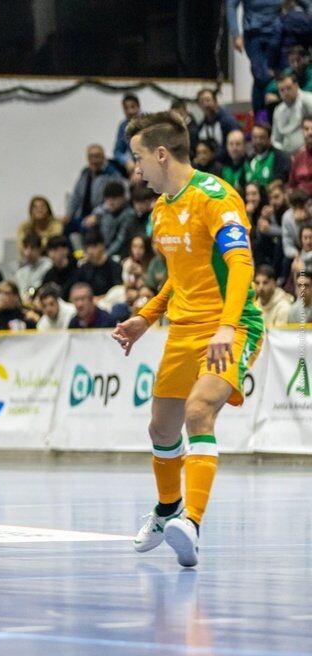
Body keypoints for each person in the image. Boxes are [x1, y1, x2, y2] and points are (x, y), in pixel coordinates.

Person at [114, 111, 264, 568]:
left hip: (232, 327)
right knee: (161, 427)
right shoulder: (160, 210)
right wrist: (146, 316)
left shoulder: (216, 197)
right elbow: (178, 279)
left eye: (140, 159)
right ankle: (167, 511)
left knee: (199, 411)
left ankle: (191, 524)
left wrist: (225, 325)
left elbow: (241, 264)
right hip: (182, 328)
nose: (136, 171)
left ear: (162, 154)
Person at [227, 0, 286, 114]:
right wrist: (235, 34)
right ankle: (262, 116)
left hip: (277, 34)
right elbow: (231, 4)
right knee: (261, 76)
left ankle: (273, 113)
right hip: (253, 35)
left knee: (279, 74)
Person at [64, 144, 125, 236]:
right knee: (65, 228)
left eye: (97, 156)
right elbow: (76, 196)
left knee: (87, 228)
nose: (94, 160)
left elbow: (116, 199)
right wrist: (68, 215)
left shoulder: (112, 174)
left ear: (103, 157)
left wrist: (97, 215)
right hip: (82, 215)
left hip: (103, 215)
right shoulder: (85, 173)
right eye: (91, 156)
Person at [90, 181, 137, 258]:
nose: (110, 203)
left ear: (122, 198)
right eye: (108, 199)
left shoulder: (129, 215)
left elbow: (120, 240)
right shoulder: (104, 214)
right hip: (104, 252)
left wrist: (105, 255)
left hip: (122, 254)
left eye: (114, 199)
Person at [73, 228, 123, 297]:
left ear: (102, 246)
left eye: (94, 246)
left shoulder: (114, 267)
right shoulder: (83, 269)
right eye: (88, 247)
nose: (90, 251)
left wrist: (98, 299)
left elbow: (118, 291)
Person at [273, 73, 312, 153]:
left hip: (307, 153)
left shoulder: (308, 101)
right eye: (282, 90)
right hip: (285, 155)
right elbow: (275, 139)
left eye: (288, 88)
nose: (286, 93)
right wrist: (282, 154)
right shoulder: (278, 110)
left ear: (296, 86)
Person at [195, 89, 241, 156]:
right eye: (202, 101)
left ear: (215, 101)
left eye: (208, 100)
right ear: (199, 105)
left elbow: (236, 144)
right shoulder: (201, 126)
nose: (205, 104)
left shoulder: (228, 121)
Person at [246, 121, 292, 186]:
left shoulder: (279, 157)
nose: (258, 141)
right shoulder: (249, 159)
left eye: (262, 137)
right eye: (255, 137)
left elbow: (280, 180)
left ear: (269, 139)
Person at [13, 232, 52, 305]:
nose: (28, 252)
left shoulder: (48, 265)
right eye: (26, 248)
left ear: (40, 249)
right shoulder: (21, 271)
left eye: (32, 248)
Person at [114, 93, 142, 171]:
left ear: (138, 106)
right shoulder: (123, 126)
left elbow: (151, 150)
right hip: (133, 164)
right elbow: (118, 151)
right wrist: (126, 161)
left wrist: (139, 166)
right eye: (126, 108)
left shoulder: (148, 122)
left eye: (132, 107)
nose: (130, 111)